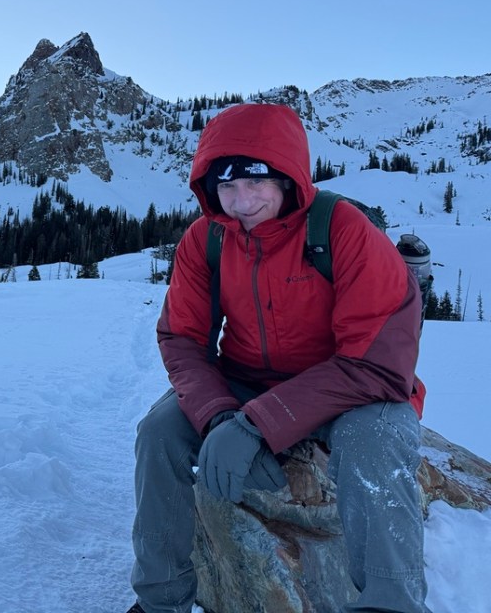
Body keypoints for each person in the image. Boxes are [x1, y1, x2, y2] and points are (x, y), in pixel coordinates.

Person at [127, 103, 429, 613]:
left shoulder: (344, 231)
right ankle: (162, 600)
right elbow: (182, 339)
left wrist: (257, 427)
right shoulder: (206, 240)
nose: (241, 201)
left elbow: (377, 364)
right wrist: (221, 417)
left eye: (255, 182)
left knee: (375, 440)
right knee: (159, 433)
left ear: (288, 177)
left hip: (353, 391)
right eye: (225, 187)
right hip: (246, 380)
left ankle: (390, 603)